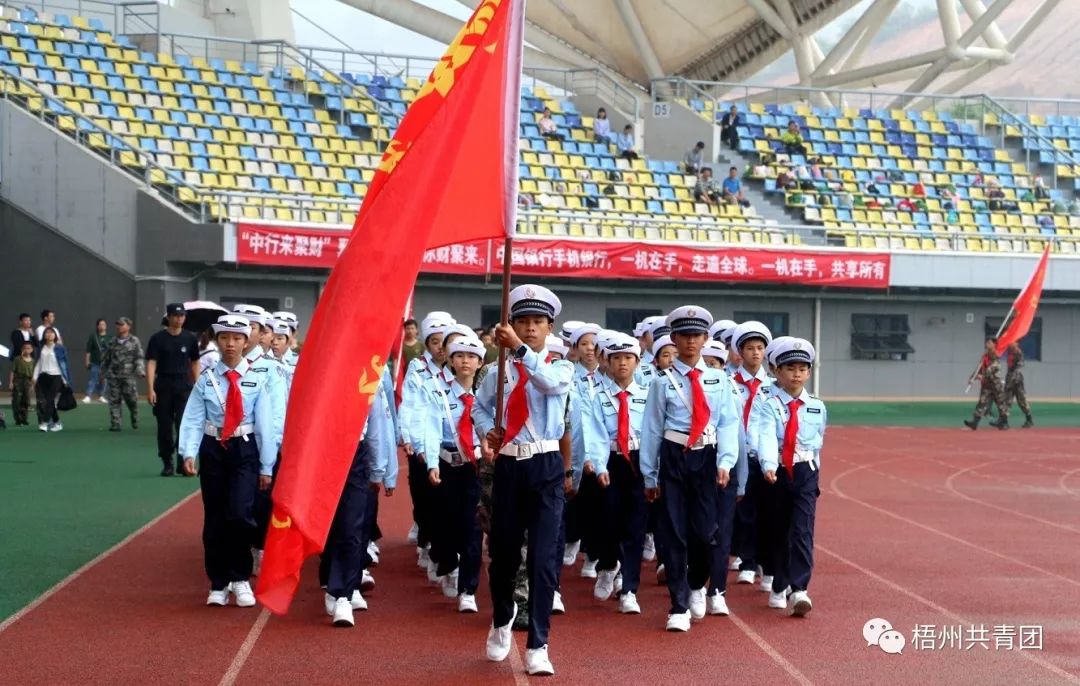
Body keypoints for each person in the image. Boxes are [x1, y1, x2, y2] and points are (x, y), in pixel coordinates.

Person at [475, 284, 573, 676]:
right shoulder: (496, 373)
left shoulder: (559, 365)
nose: (530, 328)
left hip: (546, 465)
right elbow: (478, 410)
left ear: (550, 327)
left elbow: (550, 384)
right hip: (511, 467)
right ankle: (502, 617)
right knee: (503, 555)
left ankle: (539, 643)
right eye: (522, 322)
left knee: (544, 558)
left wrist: (519, 349)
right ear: (511, 323)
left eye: (538, 322)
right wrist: (488, 432)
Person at [639, 306, 740, 632]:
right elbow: (652, 428)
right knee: (673, 532)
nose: (691, 342)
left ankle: (697, 583)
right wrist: (649, 474)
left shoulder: (718, 379)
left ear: (706, 338)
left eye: (697, 335)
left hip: (706, 456)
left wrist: (726, 461)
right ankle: (678, 604)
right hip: (673, 456)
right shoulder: (662, 381)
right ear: (675, 338)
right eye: (684, 335)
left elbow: (728, 423)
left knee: (703, 532)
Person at [177, 314, 277, 609]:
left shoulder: (258, 378)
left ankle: (240, 577)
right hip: (213, 448)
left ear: (247, 342)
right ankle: (218, 582)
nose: (230, 344)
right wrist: (188, 452)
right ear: (217, 341)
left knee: (241, 513)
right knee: (215, 518)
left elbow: (266, 425)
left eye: (236, 339)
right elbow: (194, 417)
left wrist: (267, 466)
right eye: (224, 338)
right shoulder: (207, 379)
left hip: (245, 449)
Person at [321, 358, 397, 626]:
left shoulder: (369, 377)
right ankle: (332, 581)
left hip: (355, 453)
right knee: (328, 525)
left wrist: (379, 469)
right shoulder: (318, 374)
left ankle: (343, 593)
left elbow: (378, 425)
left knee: (352, 525)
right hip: (322, 453)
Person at [756, 338, 826, 617]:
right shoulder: (769, 405)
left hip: (805, 472)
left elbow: (817, 441)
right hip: (777, 473)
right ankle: (778, 583)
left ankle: (799, 589)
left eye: (802, 368)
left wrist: (814, 472)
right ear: (777, 372)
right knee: (778, 530)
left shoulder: (817, 406)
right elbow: (765, 436)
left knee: (802, 530)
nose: (796, 373)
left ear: (809, 372)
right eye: (790, 368)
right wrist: (768, 464)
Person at [418, 335, 487, 613]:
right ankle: (447, 563)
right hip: (447, 465)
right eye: (459, 356)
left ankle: (468, 589)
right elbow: (431, 429)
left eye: (471, 357)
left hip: (476, 467)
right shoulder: (438, 392)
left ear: (481, 362)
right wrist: (432, 463)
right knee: (445, 524)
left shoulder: (487, 395)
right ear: (450, 359)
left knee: (472, 528)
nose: (465, 361)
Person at [581, 334, 648, 613]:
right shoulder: (596, 395)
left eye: (628, 358)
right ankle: (608, 565)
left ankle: (630, 588)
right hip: (609, 460)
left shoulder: (648, 395)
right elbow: (593, 431)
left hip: (639, 462)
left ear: (637, 362)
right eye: (616, 358)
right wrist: (598, 463)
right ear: (606, 361)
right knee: (607, 521)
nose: (622, 364)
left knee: (635, 527)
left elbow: (654, 433)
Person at [728, 322, 775, 592]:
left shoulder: (772, 386)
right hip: (736, 454)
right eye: (750, 348)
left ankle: (762, 563)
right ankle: (746, 561)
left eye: (760, 348)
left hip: (761, 456)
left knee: (765, 511)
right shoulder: (728, 382)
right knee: (742, 510)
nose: (755, 353)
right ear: (740, 352)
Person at [146, 304, 200, 476]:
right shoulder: (157, 339)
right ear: (168, 317)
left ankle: (182, 461)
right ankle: (167, 461)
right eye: (175, 316)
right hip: (163, 385)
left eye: (182, 316)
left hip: (183, 385)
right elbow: (151, 363)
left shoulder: (190, 338)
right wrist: (150, 389)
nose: (179, 319)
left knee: (184, 425)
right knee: (164, 425)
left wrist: (198, 384)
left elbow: (195, 362)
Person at [101, 317, 145, 432]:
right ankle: (116, 423)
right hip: (114, 376)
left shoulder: (134, 341)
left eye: (122, 324)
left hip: (128, 376)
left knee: (131, 399)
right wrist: (103, 373)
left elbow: (139, 357)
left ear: (128, 326)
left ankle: (134, 416)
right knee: (114, 400)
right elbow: (106, 359)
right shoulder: (112, 341)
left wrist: (140, 370)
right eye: (118, 324)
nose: (119, 326)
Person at [964, 338, 1009, 430]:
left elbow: (994, 368)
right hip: (986, 385)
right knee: (982, 402)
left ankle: (1004, 422)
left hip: (995, 384)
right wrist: (973, 377)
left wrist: (982, 376)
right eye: (987, 342)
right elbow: (980, 367)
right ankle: (975, 422)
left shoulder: (995, 355)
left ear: (994, 345)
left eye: (989, 342)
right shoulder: (985, 355)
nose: (987, 343)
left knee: (1001, 404)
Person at [32, 327, 71, 432]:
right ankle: (57, 423)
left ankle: (44, 423)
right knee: (48, 401)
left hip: (56, 376)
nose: (49, 334)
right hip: (44, 377)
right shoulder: (41, 348)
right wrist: (34, 377)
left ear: (55, 336)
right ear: (44, 335)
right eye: (47, 333)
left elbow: (64, 365)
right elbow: (38, 363)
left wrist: (65, 379)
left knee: (50, 399)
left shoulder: (60, 348)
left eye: (52, 333)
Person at [1003, 342, 1034, 429]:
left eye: (1013, 343)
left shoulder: (1018, 353)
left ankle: (1029, 419)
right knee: (1007, 401)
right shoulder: (1010, 352)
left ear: (1016, 344)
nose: (1010, 345)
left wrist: (1012, 379)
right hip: (1009, 379)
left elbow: (1019, 365)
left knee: (1022, 401)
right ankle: (1004, 421)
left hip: (1017, 381)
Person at [83, 319, 110, 404]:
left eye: (104, 324)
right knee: (93, 379)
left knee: (104, 380)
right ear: (97, 326)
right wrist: (87, 361)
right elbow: (88, 350)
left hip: (106, 363)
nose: (103, 326)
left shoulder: (110, 337)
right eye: (101, 324)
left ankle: (101, 396)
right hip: (95, 362)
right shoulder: (93, 336)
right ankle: (88, 395)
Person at [9, 341, 35, 426]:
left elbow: (33, 374)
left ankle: (24, 419)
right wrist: (11, 382)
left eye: (28, 348)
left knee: (26, 400)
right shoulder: (17, 359)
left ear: (31, 350)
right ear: (22, 349)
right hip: (18, 380)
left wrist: (32, 385)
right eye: (25, 348)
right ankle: (18, 419)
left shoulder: (33, 361)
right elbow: (12, 371)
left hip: (27, 381)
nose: (26, 350)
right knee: (16, 400)